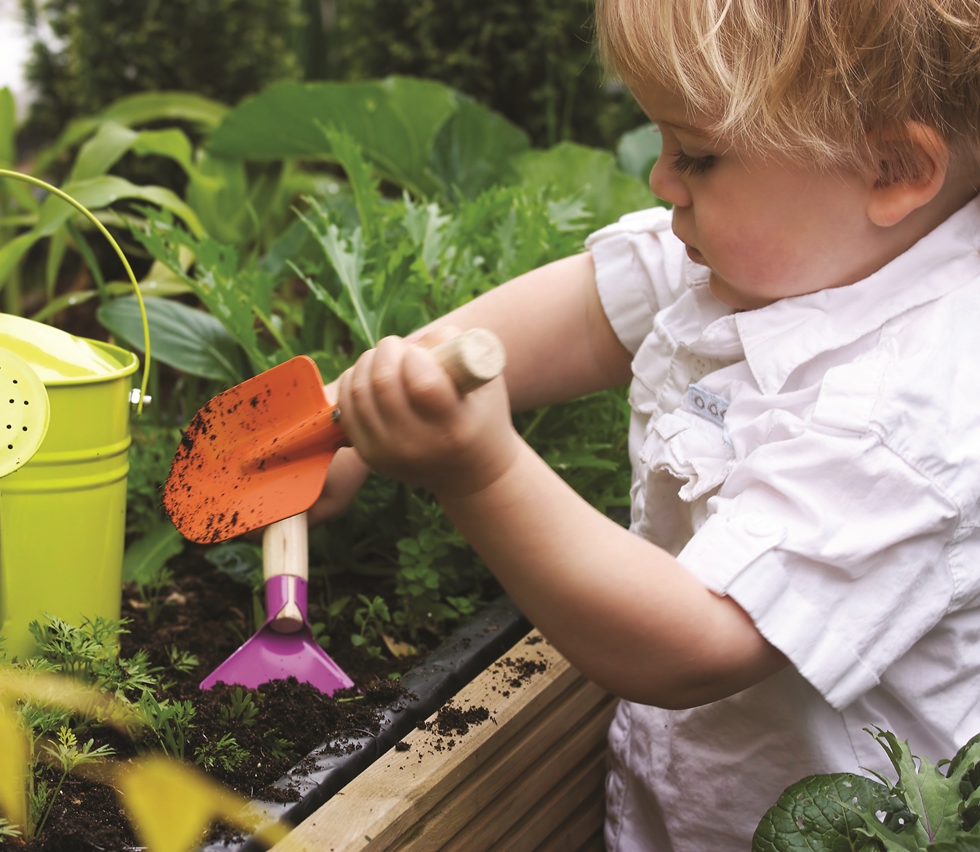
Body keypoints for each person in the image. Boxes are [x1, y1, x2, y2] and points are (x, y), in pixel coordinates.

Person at [309, 0, 980, 848]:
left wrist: (476, 470)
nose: (662, 183)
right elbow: (590, 313)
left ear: (892, 169)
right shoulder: (795, 244)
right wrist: (349, 410)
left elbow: (694, 644)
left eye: (697, 155)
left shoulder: (914, 411)